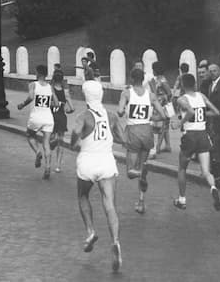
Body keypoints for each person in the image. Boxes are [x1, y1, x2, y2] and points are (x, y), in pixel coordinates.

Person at [71, 76, 126, 272]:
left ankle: (90, 231)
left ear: (86, 96)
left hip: (87, 160)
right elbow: (122, 138)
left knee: (83, 195)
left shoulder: (83, 116)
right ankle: (116, 241)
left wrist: (73, 142)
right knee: (109, 203)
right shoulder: (111, 116)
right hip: (106, 161)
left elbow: (76, 133)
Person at [117, 67, 166, 215]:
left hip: (133, 132)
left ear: (131, 79)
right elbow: (163, 115)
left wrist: (124, 109)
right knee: (141, 166)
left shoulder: (126, 93)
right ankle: (141, 201)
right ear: (143, 79)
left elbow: (119, 112)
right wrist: (151, 118)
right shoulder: (150, 95)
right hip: (147, 132)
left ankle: (141, 173)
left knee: (130, 171)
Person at [171, 73, 220, 212]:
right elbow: (216, 112)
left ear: (182, 85)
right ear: (194, 84)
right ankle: (213, 187)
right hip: (203, 135)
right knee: (206, 171)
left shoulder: (182, 99)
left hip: (190, 136)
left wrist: (180, 123)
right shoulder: (202, 96)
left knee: (182, 168)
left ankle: (182, 199)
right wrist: (204, 115)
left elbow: (190, 112)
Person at [18, 65, 55, 179]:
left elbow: (30, 97)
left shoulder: (33, 84)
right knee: (46, 143)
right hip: (48, 117)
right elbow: (57, 103)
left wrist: (22, 104)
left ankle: (37, 151)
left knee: (29, 135)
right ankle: (48, 167)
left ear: (38, 73)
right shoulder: (50, 87)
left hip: (36, 116)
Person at [49, 69, 74, 173]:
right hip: (62, 116)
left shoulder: (50, 90)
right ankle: (58, 165)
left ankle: (53, 141)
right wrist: (67, 110)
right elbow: (72, 108)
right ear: (62, 79)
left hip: (52, 116)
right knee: (61, 141)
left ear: (53, 79)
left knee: (50, 139)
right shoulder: (66, 92)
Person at [149, 61, 173, 157]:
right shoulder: (158, 80)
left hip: (163, 106)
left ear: (155, 70)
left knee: (161, 128)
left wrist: (163, 100)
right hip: (159, 105)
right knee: (164, 127)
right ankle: (168, 145)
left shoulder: (162, 81)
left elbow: (169, 93)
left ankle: (157, 148)